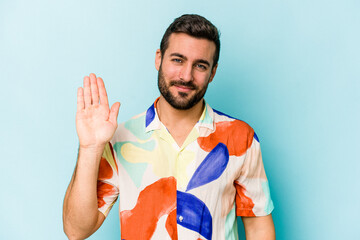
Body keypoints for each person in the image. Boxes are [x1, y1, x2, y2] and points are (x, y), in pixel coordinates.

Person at [63, 14, 275, 240]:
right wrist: (90, 148)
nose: (186, 76)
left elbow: (257, 227)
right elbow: (77, 230)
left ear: (212, 72)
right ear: (159, 58)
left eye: (200, 66)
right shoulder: (119, 138)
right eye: (177, 60)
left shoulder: (241, 138)